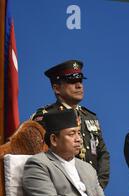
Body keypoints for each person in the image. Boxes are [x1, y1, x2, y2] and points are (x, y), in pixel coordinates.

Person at [30, 60, 110, 189]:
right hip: (61, 189)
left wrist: (97, 186)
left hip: (93, 189)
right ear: (56, 88)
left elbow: (103, 153)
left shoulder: (89, 116)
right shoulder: (45, 117)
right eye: (72, 81)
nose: (79, 86)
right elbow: (40, 156)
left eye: (80, 81)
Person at [22, 109, 116, 196]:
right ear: (54, 140)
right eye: (71, 134)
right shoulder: (38, 164)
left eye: (79, 133)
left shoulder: (87, 168)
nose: (79, 139)